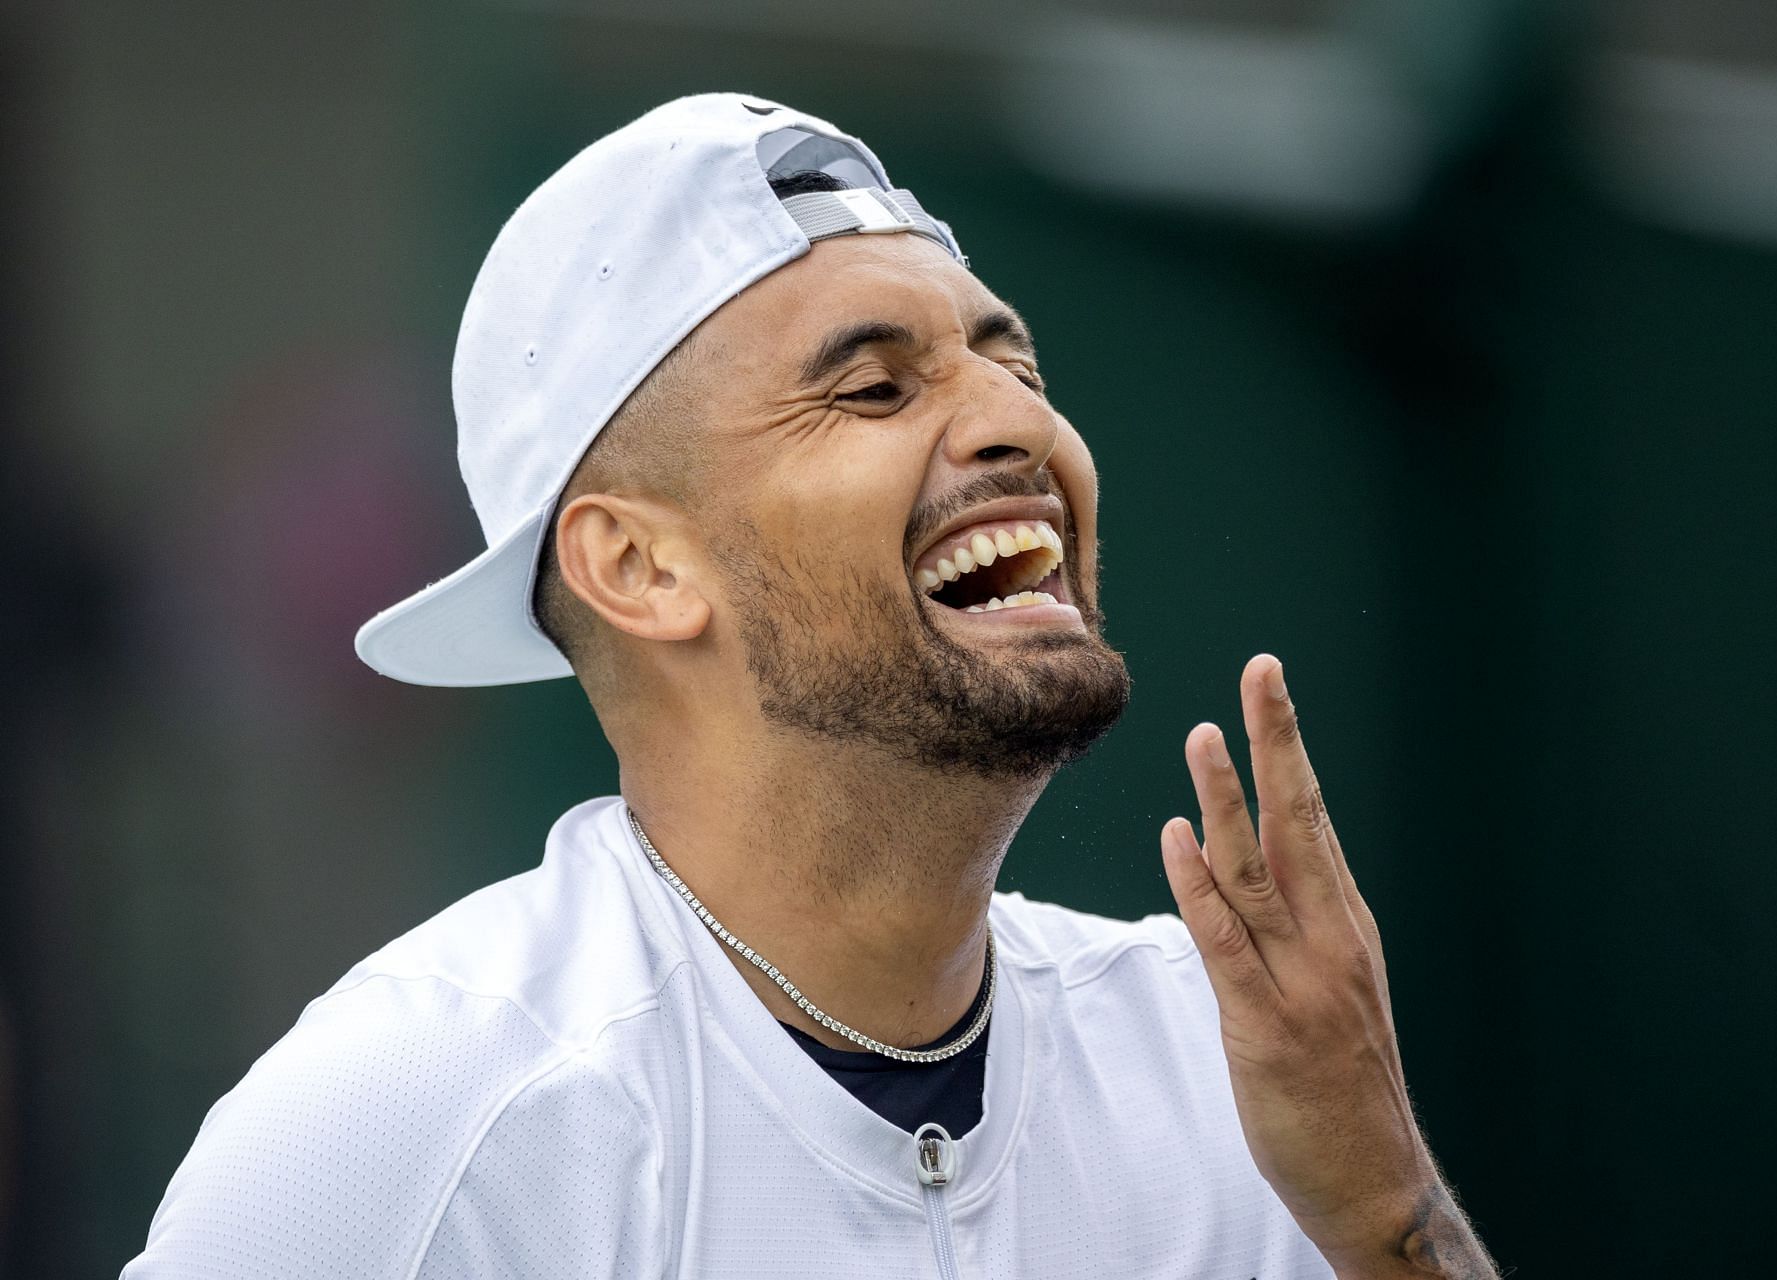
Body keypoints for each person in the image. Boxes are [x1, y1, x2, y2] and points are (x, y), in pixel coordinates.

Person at [124, 94, 1497, 1279]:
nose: (1019, 422)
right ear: (640, 564)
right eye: (875, 391)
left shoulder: (1207, 1051)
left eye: (1014, 361)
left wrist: (1383, 1211)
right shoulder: (423, 1109)